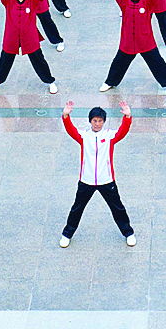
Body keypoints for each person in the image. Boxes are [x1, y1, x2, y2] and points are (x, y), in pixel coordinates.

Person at [59, 99, 135, 248]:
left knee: (117, 208)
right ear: (90, 121)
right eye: (95, 120)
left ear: (104, 122)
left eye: (100, 121)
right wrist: (66, 116)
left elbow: (122, 132)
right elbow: (71, 130)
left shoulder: (109, 135)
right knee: (77, 208)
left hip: (106, 179)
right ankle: (67, 234)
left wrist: (127, 117)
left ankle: (128, 233)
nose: (97, 123)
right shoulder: (84, 135)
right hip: (86, 180)